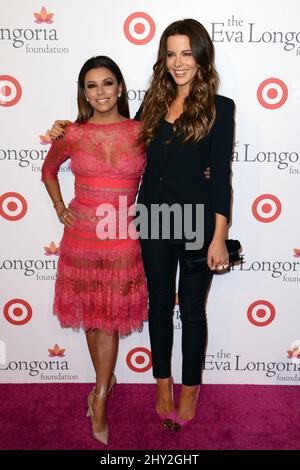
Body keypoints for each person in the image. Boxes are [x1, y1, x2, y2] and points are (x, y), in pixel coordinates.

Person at [49, 18, 235, 432]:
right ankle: (162, 384)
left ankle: (190, 388)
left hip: (194, 223)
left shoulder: (221, 108)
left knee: (190, 310)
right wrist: (65, 127)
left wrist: (219, 235)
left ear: (202, 56)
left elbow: (220, 175)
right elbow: (109, 136)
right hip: (150, 220)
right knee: (157, 307)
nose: (178, 61)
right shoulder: (153, 102)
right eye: (170, 53)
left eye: (187, 52)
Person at [41, 56, 148, 445]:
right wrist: (59, 208)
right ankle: (102, 389)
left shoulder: (141, 131)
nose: (100, 92)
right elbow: (49, 170)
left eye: (107, 83)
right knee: (92, 317)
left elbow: (167, 170)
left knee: (110, 318)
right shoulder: (71, 133)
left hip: (122, 239)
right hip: (81, 239)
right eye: (91, 85)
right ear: (83, 92)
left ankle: (99, 394)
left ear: (120, 87)